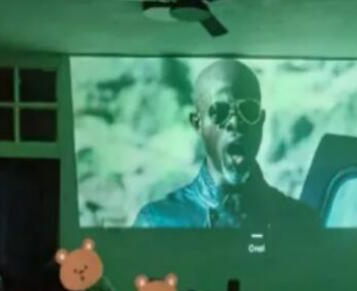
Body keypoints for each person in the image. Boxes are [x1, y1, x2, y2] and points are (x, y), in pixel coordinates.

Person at [133, 59, 319, 229]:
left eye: (248, 110)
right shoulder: (157, 223)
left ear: (261, 121)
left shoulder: (300, 222)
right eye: (220, 112)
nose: (235, 122)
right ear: (198, 124)